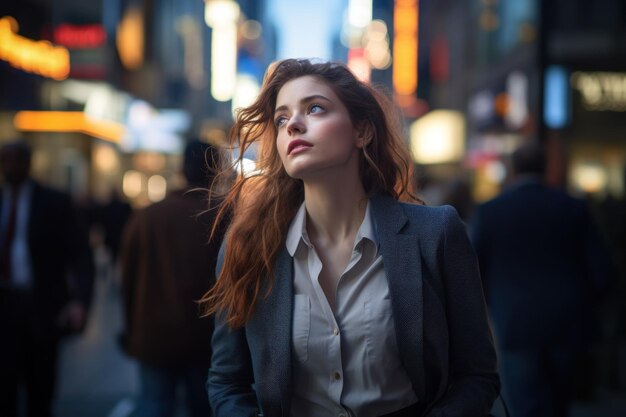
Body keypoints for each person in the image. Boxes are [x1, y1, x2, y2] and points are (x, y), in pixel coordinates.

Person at [200, 58, 500, 417]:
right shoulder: (250, 247)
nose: (293, 124)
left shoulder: (434, 234)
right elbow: (226, 382)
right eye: (281, 119)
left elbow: (477, 376)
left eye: (314, 108)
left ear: (362, 132)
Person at [469, 142, 611, 417]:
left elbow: (474, 269)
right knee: (559, 404)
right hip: (565, 320)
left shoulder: (492, 211)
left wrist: (493, 305)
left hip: (515, 319)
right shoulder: (572, 208)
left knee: (525, 404)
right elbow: (601, 269)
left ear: (513, 169)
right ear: (546, 167)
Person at [119, 140, 227, 417]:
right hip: (209, 339)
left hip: (154, 336)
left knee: (155, 404)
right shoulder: (225, 217)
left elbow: (128, 279)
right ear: (215, 171)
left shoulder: (147, 217)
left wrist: (130, 328)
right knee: (206, 406)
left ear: (181, 169)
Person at [0, 140, 94, 417]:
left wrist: (80, 300)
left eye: (16, 160)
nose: (10, 167)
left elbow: (80, 253)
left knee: (39, 389)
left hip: (40, 307)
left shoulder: (53, 201)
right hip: (4, 307)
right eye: (5, 160)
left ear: (29, 163)